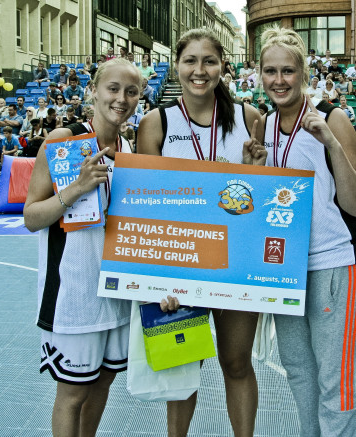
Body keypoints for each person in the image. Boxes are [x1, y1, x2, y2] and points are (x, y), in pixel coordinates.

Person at [137, 28, 266, 437]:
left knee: (237, 363)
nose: (199, 70)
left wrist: (252, 172)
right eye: (190, 61)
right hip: (182, 264)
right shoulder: (156, 122)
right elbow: (146, 204)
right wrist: (156, 278)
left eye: (208, 61)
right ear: (176, 66)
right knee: (184, 368)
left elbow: (258, 198)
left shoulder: (249, 118)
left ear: (222, 67)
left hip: (236, 262)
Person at [23, 58, 145, 437]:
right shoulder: (64, 139)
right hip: (73, 291)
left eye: (131, 91)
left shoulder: (130, 148)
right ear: (93, 90)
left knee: (102, 384)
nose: (121, 98)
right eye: (113, 88)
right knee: (73, 393)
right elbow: (31, 216)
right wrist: (76, 188)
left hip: (114, 290)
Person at [259, 26, 356, 437]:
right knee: (299, 372)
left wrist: (331, 143)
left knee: (333, 380)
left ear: (303, 71)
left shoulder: (332, 117)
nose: (279, 80)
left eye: (288, 70)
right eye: (270, 71)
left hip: (332, 264)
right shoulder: (264, 127)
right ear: (259, 74)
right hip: (285, 268)